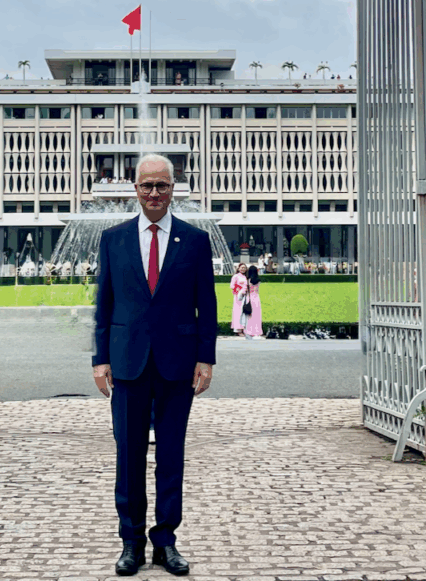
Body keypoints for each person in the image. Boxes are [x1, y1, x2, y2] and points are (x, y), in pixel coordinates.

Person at [92, 153, 217, 576]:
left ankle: (166, 542)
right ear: (135, 189)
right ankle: (131, 542)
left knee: (171, 456)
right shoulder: (113, 239)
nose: (154, 193)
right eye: (147, 185)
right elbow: (103, 304)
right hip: (126, 362)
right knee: (128, 457)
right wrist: (99, 359)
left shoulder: (195, 241)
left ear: (173, 188)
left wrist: (206, 358)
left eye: (162, 185)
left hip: (177, 364)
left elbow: (207, 305)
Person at [243, 266, 263, 339]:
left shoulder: (248, 280)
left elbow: (246, 290)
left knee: (250, 316)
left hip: (250, 297)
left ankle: (249, 331)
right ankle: (257, 331)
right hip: (256, 297)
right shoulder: (258, 280)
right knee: (257, 315)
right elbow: (257, 290)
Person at [229, 263, 249, 337]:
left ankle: (244, 328)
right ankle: (238, 329)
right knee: (238, 312)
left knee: (244, 312)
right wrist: (239, 290)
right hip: (238, 297)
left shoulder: (245, 277)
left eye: (244, 268)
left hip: (245, 296)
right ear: (238, 268)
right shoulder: (236, 276)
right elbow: (231, 286)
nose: (243, 269)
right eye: (242, 267)